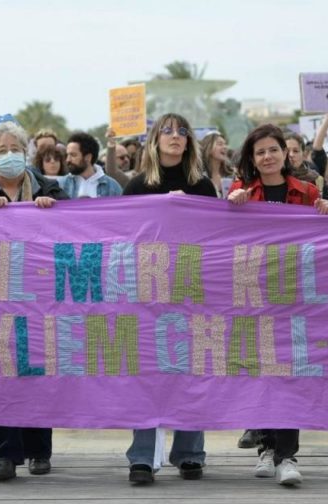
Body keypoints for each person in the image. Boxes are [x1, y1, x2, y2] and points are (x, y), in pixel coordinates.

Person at [227, 124, 328, 486]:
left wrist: (326, 210)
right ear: (252, 160)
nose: (268, 157)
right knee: (261, 373)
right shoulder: (240, 192)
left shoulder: (307, 191)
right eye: (260, 152)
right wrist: (232, 208)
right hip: (254, 295)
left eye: (273, 150)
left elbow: (326, 237)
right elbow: (221, 234)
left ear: (284, 154)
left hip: (295, 295)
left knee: (292, 374)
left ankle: (288, 456)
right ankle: (266, 449)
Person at [0, 120, 67, 482]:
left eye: (16, 149)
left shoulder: (50, 188)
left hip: (41, 299)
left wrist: (53, 209)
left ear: (26, 155)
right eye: (1, 150)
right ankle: (3, 456)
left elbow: (77, 230)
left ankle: (38, 451)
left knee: (37, 370)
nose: (9, 155)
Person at [122, 113, 216, 484]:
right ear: (155, 140)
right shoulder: (137, 186)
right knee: (145, 373)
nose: (175, 136)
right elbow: (122, 236)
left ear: (190, 141)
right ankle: (143, 457)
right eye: (167, 131)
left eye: (182, 131)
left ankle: (190, 453)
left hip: (191, 290)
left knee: (190, 370)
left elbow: (216, 238)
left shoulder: (202, 186)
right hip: (146, 295)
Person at [58, 132, 122, 198]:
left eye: (73, 155)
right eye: (67, 155)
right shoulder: (60, 185)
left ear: (88, 157)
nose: (68, 160)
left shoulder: (112, 187)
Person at [199, 131, 235, 197]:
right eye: (220, 144)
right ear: (209, 148)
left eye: (225, 144)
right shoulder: (198, 176)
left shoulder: (232, 175)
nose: (225, 147)